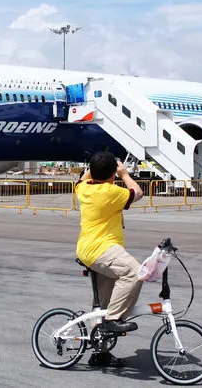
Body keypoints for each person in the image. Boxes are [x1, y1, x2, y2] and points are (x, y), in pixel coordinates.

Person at [75, 151, 144, 367]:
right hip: (101, 249)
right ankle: (113, 320)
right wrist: (124, 174)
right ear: (112, 175)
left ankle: (100, 353)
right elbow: (138, 192)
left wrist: (98, 168)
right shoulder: (110, 192)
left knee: (102, 305)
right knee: (134, 272)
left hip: (89, 248)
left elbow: (83, 178)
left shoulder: (83, 188)